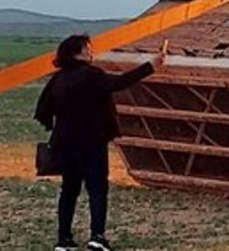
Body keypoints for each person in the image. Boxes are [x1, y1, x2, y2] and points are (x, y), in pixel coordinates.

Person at [35, 34, 164, 251]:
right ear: (79, 52)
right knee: (97, 189)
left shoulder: (59, 79)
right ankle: (97, 237)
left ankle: (64, 240)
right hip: (91, 143)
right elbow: (120, 82)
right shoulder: (91, 76)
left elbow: (45, 109)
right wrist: (150, 66)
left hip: (65, 144)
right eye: (88, 48)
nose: (91, 51)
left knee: (69, 190)